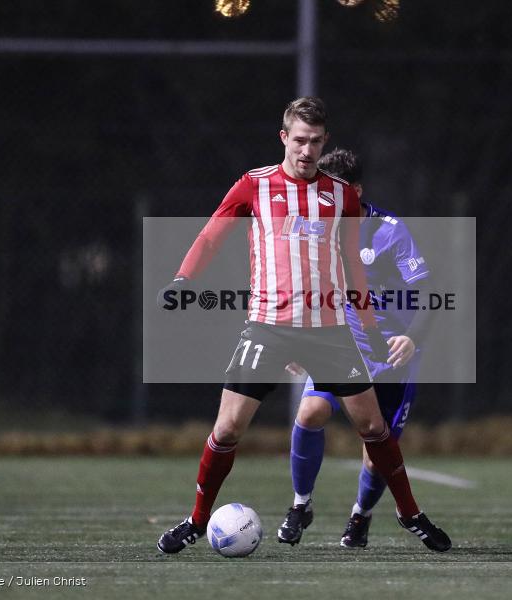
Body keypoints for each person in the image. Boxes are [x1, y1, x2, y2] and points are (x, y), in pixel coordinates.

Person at [155, 97, 450, 554]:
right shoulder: (255, 184)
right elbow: (214, 231)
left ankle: (410, 514)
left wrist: (369, 332)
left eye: (315, 141)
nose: (306, 150)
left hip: (331, 332)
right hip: (267, 327)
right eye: (299, 140)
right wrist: (183, 278)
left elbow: (352, 266)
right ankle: (197, 520)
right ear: (283, 138)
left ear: (324, 140)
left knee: (375, 429)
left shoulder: (342, 195)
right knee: (228, 429)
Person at [277, 149, 435, 549]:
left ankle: (359, 517)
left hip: (388, 358)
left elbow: (429, 292)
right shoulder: (313, 229)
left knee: (375, 451)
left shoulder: (389, 230)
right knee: (311, 412)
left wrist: (413, 336)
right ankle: (300, 505)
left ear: (357, 191)